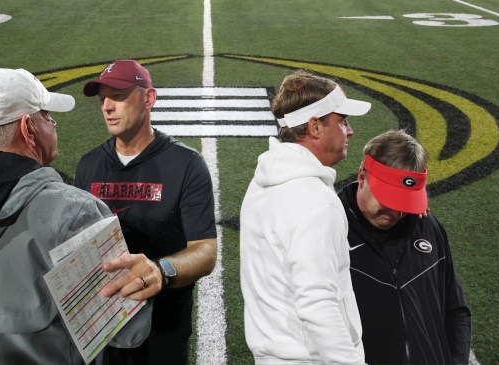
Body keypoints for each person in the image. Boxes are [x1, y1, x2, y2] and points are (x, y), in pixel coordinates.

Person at [0, 67, 156, 365]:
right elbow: (126, 332)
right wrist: (147, 277)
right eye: (47, 117)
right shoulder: (74, 210)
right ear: (28, 128)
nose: (53, 124)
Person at [75, 59, 218, 365]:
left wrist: (161, 271)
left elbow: (205, 250)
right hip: (101, 325)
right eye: (103, 100)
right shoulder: (88, 165)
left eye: (119, 96)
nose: (107, 107)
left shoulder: (187, 165)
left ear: (149, 98)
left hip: (163, 329)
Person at [240, 69, 371, 364]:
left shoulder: (263, 180)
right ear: (315, 127)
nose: (349, 131)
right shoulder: (316, 202)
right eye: (342, 121)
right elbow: (318, 303)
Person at [337, 130, 471, 364]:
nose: (396, 212)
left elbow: (455, 309)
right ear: (361, 177)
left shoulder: (427, 227)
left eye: (405, 202)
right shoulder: (331, 231)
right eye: (388, 199)